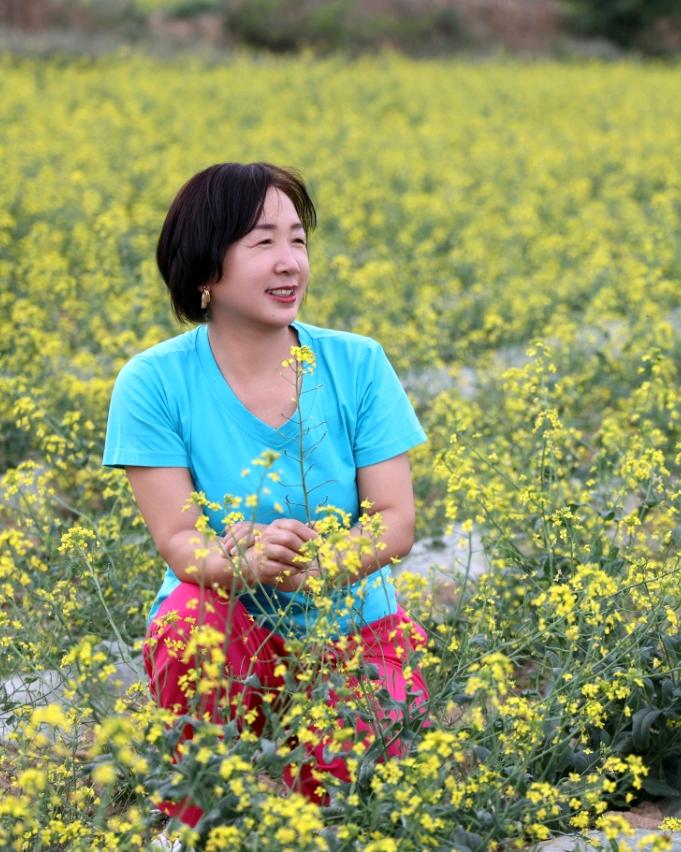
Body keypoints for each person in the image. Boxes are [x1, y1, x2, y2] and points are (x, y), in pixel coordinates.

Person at [103, 162, 430, 827]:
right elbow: (178, 540)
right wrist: (244, 564)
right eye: (263, 242)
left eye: (298, 241)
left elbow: (395, 521)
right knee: (188, 632)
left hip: (352, 626)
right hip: (230, 624)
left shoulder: (358, 362)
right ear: (206, 268)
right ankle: (194, 823)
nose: (290, 263)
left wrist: (322, 568)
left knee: (354, 811)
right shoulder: (153, 383)